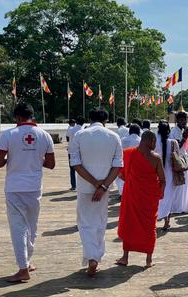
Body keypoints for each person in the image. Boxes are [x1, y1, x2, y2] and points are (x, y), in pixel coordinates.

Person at [0, 102, 55, 282]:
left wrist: (10, 159)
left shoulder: (8, 135)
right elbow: (51, 164)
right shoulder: (44, 135)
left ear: (17, 118)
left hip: (14, 187)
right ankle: (27, 262)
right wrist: (36, 160)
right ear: (32, 116)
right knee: (31, 227)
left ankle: (23, 268)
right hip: (34, 187)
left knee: (18, 228)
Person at [70, 107, 123, 276]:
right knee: (100, 222)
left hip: (86, 186)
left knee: (85, 223)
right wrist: (103, 186)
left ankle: (92, 257)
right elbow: (118, 166)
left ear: (89, 119)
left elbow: (75, 164)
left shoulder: (80, 135)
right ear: (106, 120)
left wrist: (94, 183)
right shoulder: (113, 137)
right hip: (105, 187)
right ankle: (96, 255)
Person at [117, 131, 166, 268]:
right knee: (149, 227)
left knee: (129, 224)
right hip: (149, 198)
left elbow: (122, 175)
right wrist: (159, 195)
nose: (155, 144)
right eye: (154, 141)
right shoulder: (156, 158)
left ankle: (125, 257)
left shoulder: (128, 154)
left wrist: (133, 181)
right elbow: (163, 180)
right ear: (150, 141)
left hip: (133, 195)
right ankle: (148, 260)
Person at [169, 112, 188, 213]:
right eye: (181, 120)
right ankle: (176, 207)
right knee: (178, 183)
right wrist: (184, 138)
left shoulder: (187, 131)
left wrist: (187, 137)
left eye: (184, 120)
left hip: (185, 159)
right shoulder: (174, 131)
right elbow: (176, 148)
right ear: (177, 121)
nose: (183, 122)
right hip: (178, 161)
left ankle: (183, 206)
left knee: (185, 184)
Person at [156, 121, 179, 230]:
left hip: (157, 174)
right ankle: (167, 221)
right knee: (169, 198)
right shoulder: (174, 142)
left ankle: (157, 217)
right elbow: (179, 157)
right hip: (171, 175)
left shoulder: (154, 142)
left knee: (158, 198)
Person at [116, 124, 141, 197]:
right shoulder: (141, 140)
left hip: (124, 163)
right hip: (137, 164)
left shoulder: (123, 140)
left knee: (122, 180)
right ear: (138, 131)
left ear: (129, 131)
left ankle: (122, 194)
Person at [66, 116, 85, 191]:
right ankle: (81, 186)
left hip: (71, 151)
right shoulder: (84, 130)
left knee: (72, 170)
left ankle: (73, 186)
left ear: (76, 122)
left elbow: (67, 139)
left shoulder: (70, 129)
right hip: (82, 152)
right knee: (83, 169)